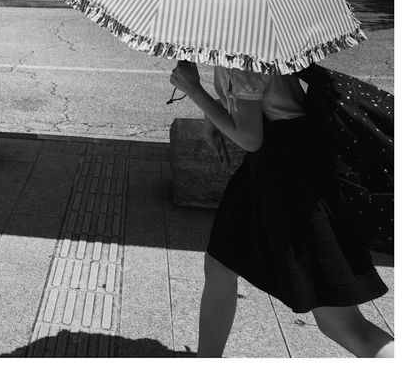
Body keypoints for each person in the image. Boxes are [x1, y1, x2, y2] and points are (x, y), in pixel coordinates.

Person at [168, 60, 394, 358]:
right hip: (267, 171)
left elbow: (250, 138)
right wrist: (216, 114)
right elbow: (256, 107)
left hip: (290, 179)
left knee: (341, 324)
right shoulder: (238, 45)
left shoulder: (241, 53)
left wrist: (194, 91)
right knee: (220, 266)